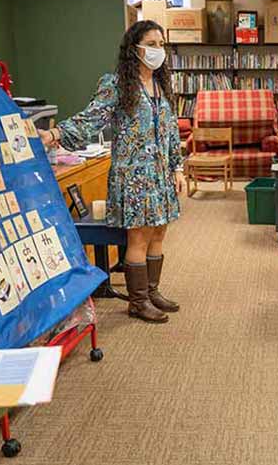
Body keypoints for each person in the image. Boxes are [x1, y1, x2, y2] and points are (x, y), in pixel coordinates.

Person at [39, 20, 186, 324]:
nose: (158, 50)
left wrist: (178, 167)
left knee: (159, 232)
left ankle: (152, 291)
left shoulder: (161, 86)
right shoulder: (116, 84)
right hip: (133, 176)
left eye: (162, 44)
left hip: (161, 175)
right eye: (152, 44)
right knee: (139, 237)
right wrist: (55, 134)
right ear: (135, 49)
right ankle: (138, 301)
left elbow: (171, 131)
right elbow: (91, 118)